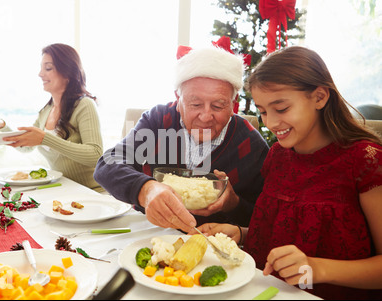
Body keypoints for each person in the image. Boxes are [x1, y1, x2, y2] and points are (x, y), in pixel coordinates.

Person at [194, 46, 382, 300]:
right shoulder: (277, 156)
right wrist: (241, 232)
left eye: (281, 109)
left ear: (320, 97)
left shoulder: (366, 160)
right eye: (262, 111)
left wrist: (317, 268)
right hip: (263, 291)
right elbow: (290, 232)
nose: (270, 123)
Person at [94, 39, 269, 233]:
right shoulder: (159, 120)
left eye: (218, 106)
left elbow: (266, 219)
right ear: (178, 99)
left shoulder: (251, 144)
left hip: (210, 247)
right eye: (195, 104)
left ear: (233, 103)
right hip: (147, 234)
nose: (205, 116)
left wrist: (232, 204)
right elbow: (107, 165)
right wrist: (146, 190)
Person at [0, 43, 104, 192]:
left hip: (92, 192)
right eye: (41, 68)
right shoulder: (46, 110)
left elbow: (96, 155)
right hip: (65, 190)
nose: (40, 74)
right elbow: (27, 147)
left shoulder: (84, 105)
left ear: (67, 73)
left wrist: (45, 138)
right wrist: (0, 125)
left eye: (48, 68)